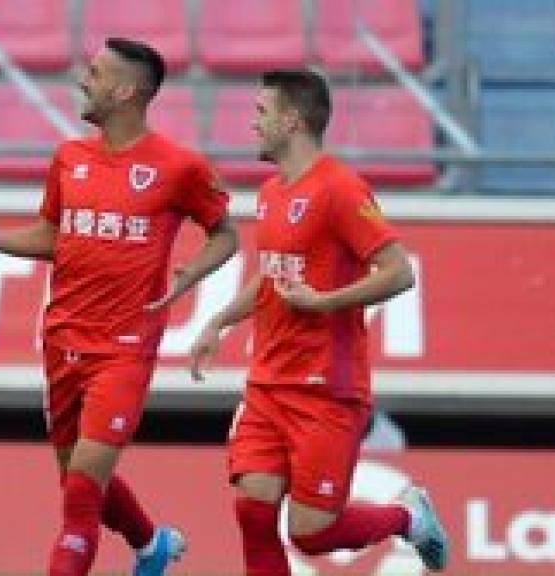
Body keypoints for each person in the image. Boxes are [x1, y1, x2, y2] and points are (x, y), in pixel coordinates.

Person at [0, 38, 238, 576]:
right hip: (62, 339)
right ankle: (152, 547)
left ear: (124, 90)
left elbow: (225, 235)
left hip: (123, 350)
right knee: (77, 478)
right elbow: (54, 236)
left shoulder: (179, 166)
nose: (81, 80)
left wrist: (190, 275)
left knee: (77, 503)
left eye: (94, 73)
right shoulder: (70, 158)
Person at [189, 69, 448, 575]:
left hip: (325, 389)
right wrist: (219, 321)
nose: (252, 124)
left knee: (311, 534)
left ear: (292, 120)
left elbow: (397, 273)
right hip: (268, 382)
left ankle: (406, 518)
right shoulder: (270, 192)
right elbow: (273, 279)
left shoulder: (340, 189)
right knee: (252, 508)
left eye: (261, 112)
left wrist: (325, 302)